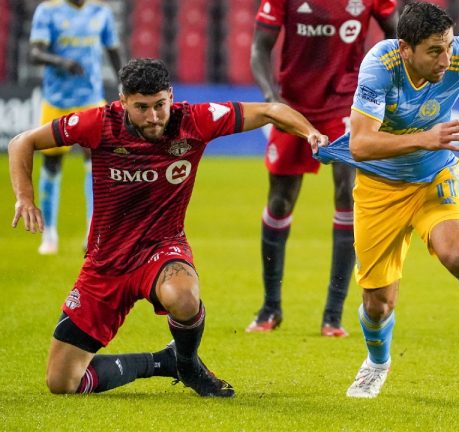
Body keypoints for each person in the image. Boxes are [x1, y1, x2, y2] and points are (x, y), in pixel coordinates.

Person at [9, 58, 327, 397]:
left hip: (162, 249)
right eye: (142, 107)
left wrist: (310, 132)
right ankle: (163, 362)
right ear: (123, 102)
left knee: (183, 297)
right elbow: (21, 143)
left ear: (171, 96)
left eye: (160, 104)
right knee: (62, 383)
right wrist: (24, 197)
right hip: (105, 263)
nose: (154, 116)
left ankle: (188, 363)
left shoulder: (195, 120)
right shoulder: (99, 123)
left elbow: (270, 110)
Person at [314, 2, 459, 398]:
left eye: (447, 46)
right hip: (380, 187)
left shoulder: (457, 53)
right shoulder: (381, 66)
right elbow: (360, 144)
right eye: (434, 51)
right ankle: (377, 362)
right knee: (377, 304)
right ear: (406, 49)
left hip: (434, 174)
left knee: (457, 254)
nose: (446, 58)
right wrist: (426, 137)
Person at [247, 0, 399, 337]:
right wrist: (272, 100)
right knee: (280, 202)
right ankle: (270, 307)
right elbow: (259, 48)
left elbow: (397, 35)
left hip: (347, 103)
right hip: (294, 104)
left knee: (347, 194)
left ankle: (333, 315)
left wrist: (378, 80)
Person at [29, 0, 123, 254]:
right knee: (51, 165)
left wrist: (125, 85)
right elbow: (34, 53)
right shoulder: (48, 11)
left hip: (92, 102)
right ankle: (49, 234)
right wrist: (62, 62)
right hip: (57, 102)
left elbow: (113, 51)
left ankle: (93, 232)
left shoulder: (101, 12)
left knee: (97, 166)